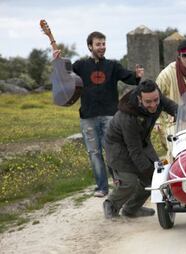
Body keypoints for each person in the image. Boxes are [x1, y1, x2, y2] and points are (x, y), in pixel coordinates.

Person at [54, 31, 144, 197]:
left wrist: (137, 76)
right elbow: (64, 77)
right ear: (90, 46)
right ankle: (102, 188)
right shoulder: (80, 65)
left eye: (103, 44)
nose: (102, 47)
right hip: (88, 117)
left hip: (110, 115)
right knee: (94, 153)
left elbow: (129, 78)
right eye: (98, 44)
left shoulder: (113, 66)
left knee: (113, 151)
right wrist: (58, 61)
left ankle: (121, 184)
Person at [103, 80, 177, 219]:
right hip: (118, 147)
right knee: (129, 182)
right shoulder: (128, 117)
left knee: (155, 179)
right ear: (139, 99)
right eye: (148, 102)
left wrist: (184, 116)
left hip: (141, 141)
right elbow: (134, 151)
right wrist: (148, 170)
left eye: (156, 100)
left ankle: (131, 210)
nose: (154, 105)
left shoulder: (157, 98)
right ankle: (111, 205)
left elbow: (174, 107)